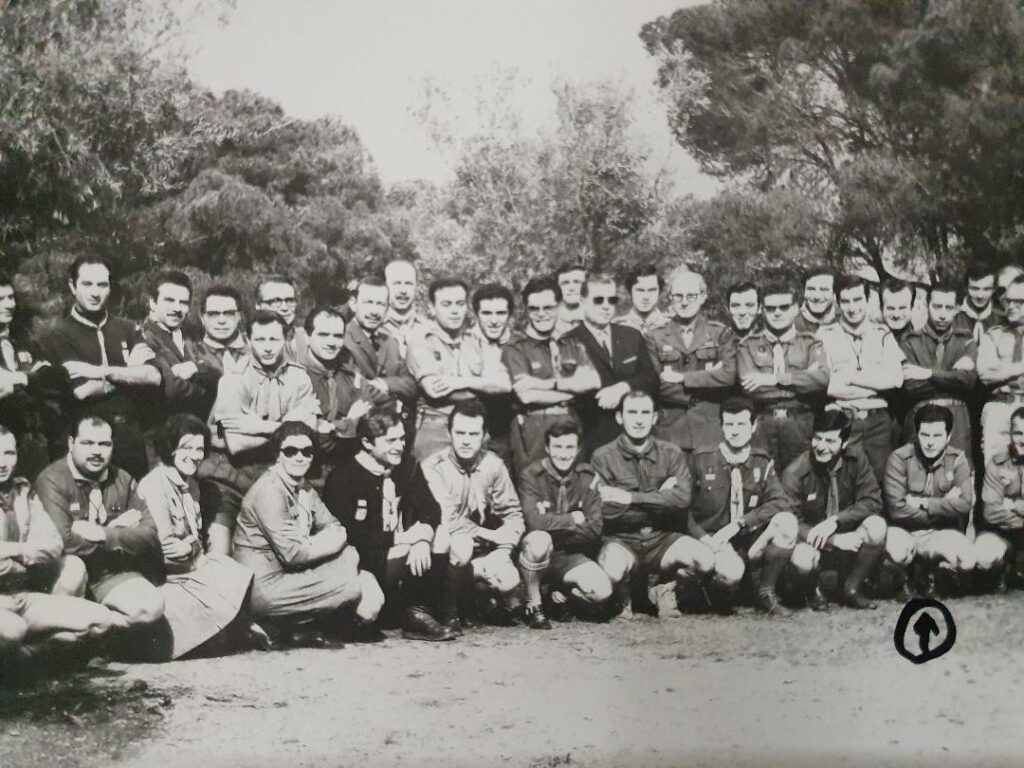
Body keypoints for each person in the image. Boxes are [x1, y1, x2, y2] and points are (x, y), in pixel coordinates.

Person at [233, 422, 383, 647]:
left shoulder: (304, 488)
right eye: (290, 451)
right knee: (354, 583)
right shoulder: (270, 490)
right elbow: (294, 555)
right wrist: (316, 543)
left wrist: (307, 542)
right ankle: (277, 627)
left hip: (291, 574)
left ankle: (289, 631)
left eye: (307, 451)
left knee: (363, 580)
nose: (299, 457)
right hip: (265, 588)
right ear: (277, 454)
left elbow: (337, 527)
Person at [137, 414, 270, 659]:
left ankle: (231, 630)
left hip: (191, 567)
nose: (195, 455)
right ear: (170, 448)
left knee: (233, 570)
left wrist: (190, 547)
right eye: (186, 447)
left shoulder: (192, 486)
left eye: (199, 449)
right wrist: (191, 549)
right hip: (164, 577)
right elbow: (167, 551)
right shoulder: (155, 485)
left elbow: (193, 540)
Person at [323, 408, 455, 641]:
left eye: (402, 439)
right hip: (361, 562)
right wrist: (402, 538)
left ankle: (418, 612)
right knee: (371, 605)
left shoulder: (406, 466)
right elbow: (349, 533)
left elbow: (431, 508)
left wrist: (423, 537)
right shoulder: (343, 476)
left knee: (440, 535)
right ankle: (378, 612)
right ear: (367, 443)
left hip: (394, 556)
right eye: (390, 440)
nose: (400, 446)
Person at [0, 427, 126, 660]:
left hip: (23, 596)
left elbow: (53, 545)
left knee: (101, 620)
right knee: (13, 630)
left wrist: (14, 552)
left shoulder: (23, 491)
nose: (2, 463)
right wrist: (26, 555)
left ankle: (28, 656)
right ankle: (26, 658)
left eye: (8, 453)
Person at [199, 312, 319, 555]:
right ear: (248, 339)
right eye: (260, 339)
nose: (267, 347)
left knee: (290, 551)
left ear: (286, 339)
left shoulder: (299, 377)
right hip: (231, 477)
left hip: (278, 477)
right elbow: (236, 444)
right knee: (219, 554)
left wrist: (255, 425)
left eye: (274, 339)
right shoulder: (234, 379)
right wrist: (286, 425)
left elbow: (307, 436)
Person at [590, 390, 714, 619]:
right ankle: (625, 595)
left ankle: (665, 586)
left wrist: (630, 498)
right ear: (619, 417)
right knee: (612, 569)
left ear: (654, 418)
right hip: (622, 539)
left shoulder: (672, 453)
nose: (639, 420)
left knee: (705, 561)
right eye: (632, 412)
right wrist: (661, 497)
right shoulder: (602, 457)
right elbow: (606, 511)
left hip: (661, 538)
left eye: (645, 413)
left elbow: (682, 500)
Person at [35, 415, 165, 632]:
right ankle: (64, 636)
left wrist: (104, 534)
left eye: (104, 444)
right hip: (64, 574)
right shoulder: (52, 479)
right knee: (73, 570)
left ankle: (96, 625)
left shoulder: (123, 479)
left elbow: (151, 534)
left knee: (152, 606)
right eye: (88, 443)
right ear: (71, 444)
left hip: (106, 573)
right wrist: (121, 532)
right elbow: (64, 541)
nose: (96, 451)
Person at [38, 256, 162, 479]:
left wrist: (103, 372)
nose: (95, 292)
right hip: (86, 447)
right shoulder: (57, 335)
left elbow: (153, 376)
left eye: (102, 285)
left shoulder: (127, 328)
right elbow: (83, 390)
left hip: (129, 443)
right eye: (87, 284)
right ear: (72, 286)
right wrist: (129, 370)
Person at [685, 399, 799, 616]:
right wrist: (704, 538)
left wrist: (741, 523)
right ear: (721, 426)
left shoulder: (761, 461)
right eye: (729, 425)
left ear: (753, 426)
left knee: (787, 522)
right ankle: (708, 592)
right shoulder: (700, 459)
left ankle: (765, 593)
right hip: (713, 539)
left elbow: (781, 502)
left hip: (748, 539)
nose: (735, 431)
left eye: (741, 424)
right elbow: (683, 509)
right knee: (731, 573)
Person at [421, 399, 524, 632]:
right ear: (449, 432)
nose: (466, 440)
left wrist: (505, 549)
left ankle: (476, 600)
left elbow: (513, 513)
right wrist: (491, 535)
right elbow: (448, 519)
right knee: (462, 545)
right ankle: (449, 611)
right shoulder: (434, 467)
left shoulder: (494, 465)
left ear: (484, 435)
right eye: (460, 433)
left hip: (482, 549)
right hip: (444, 549)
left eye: (473, 434)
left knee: (508, 579)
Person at [781, 410, 889, 611]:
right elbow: (790, 524)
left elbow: (873, 500)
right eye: (817, 438)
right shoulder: (795, 473)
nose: (821, 446)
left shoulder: (856, 459)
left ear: (845, 443)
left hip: (845, 535)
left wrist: (836, 520)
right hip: (810, 540)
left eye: (830, 441)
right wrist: (833, 540)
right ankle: (811, 591)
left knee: (877, 526)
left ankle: (851, 589)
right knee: (802, 559)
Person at [502, 276, 599, 479]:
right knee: (533, 487)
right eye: (534, 309)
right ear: (526, 310)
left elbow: (593, 381)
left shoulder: (571, 344)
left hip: (571, 426)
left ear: (559, 306)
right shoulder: (516, 348)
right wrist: (573, 392)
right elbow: (527, 396)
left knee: (574, 487)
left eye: (548, 307)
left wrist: (546, 385)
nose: (541, 314)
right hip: (533, 431)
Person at [517, 421, 611, 627]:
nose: (563, 454)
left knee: (602, 591)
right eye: (557, 447)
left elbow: (594, 528)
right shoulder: (531, 476)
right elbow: (533, 522)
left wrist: (555, 529)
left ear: (577, 450)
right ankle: (534, 604)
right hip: (538, 553)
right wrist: (572, 519)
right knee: (539, 540)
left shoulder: (587, 477)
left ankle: (560, 595)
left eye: (569, 447)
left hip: (569, 554)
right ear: (547, 448)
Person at [405, 278, 510, 461]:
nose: (454, 311)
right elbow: (435, 390)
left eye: (460, 304)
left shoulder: (476, 341)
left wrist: (459, 382)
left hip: (475, 431)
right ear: (432, 308)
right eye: (446, 304)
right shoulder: (421, 342)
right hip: (436, 430)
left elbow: (504, 384)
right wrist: (482, 386)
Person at [817, 273, 904, 483]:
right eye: (845, 301)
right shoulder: (825, 335)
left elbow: (895, 379)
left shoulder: (882, 333)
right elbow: (829, 386)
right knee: (845, 482)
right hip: (844, 421)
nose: (852, 307)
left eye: (857, 299)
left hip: (878, 423)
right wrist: (876, 384)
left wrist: (850, 378)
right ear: (837, 303)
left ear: (867, 300)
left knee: (881, 482)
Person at [884, 404, 977, 596]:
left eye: (937, 436)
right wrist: (945, 504)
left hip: (938, 533)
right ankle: (906, 576)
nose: (930, 443)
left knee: (967, 560)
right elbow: (897, 510)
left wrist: (924, 503)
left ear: (948, 437)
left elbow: (965, 504)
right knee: (897, 551)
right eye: (925, 435)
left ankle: (932, 573)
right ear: (917, 434)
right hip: (905, 531)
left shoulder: (957, 459)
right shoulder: (899, 458)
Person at [737, 281, 829, 471]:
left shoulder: (810, 343)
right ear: (762, 310)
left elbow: (821, 379)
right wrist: (802, 382)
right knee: (761, 478)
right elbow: (749, 388)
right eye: (771, 308)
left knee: (800, 477)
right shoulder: (748, 345)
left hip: (801, 424)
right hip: (762, 424)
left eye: (784, 307)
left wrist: (774, 379)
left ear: (796, 309)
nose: (777, 313)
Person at [563, 273, 658, 457]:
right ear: (582, 302)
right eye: (598, 300)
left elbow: (651, 379)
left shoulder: (631, 336)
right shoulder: (568, 342)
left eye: (612, 300)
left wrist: (624, 387)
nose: (606, 306)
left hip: (637, 440)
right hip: (593, 439)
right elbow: (572, 395)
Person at [647, 269, 734, 455]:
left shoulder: (720, 333)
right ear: (670, 298)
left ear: (702, 297)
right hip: (669, 432)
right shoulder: (655, 336)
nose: (684, 302)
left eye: (691, 296)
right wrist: (709, 380)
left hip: (710, 431)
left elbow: (728, 376)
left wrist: (682, 378)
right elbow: (654, 384)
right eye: (678, 296)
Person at [0, 272, 72, 480]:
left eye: (11, 297)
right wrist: (35, 377)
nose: (9, 304)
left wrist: (22, 379)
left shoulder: (24, 342)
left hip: (35, 447)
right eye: (1, 299)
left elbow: (60, 379)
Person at [899, 281, 977, 454]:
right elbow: (910, 386)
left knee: (957, 467)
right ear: (927, 306)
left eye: (949, 308)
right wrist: (952, 377)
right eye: (937, 307)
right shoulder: (910, 342)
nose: (942, 314)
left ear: (957, 309)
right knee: (916, 467)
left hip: (957, 418)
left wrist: (927, 373)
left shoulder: (966, 341)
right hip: (920, 415)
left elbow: (967, 382)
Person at [296, 307, 374, 469]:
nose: (331, 343)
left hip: (347, 468)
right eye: (323, 335)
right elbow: (314, 439)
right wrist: (348, 422)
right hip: (307, 470)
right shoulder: (296, 378)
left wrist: (331, 427)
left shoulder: (352, 377)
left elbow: (368, 429)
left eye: (338, 336)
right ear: (307, 337)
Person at [343, 276, 418, 430]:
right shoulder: (344, 340)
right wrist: (394, 402)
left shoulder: (390, 341)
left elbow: (411, 386)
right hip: (358, 427)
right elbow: (357, 390)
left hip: (391, 431)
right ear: (353, 304)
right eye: (368, 302)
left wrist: (385, 384)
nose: (374, 311)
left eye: (380, 304)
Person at [142, 270, 216, 421]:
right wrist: (208, 391)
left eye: (183, 303)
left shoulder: (190, 336)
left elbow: (218, 372)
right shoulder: (143, 338)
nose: (177, 308)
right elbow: (171, 389)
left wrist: (195, 368)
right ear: (152, 303)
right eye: (169, 300)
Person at [977, 275, 1024, 465]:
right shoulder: (993, 335)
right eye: (1008, 300)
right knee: (995, 467)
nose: (1011, 306)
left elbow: (996, 373)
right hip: (1000, 407)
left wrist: (1003, 371)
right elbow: (985, 374)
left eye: (1018, 301)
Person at [976, 406, 1024, 589]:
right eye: (1018, 433)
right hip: (1003, 533)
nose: (1023, 440)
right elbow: (991, 512)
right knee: (984, 554)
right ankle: (1004, 567)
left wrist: (1012, 505)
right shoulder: (997, 463)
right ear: (1010, 433)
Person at [469, 284, 517, 464]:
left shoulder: (520, 343)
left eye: (501, 313)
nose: (494, 320)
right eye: (487, 313)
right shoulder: (464, 341)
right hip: (473, 435)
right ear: (476, 314)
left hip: (513, 436)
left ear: (510, 315)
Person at [194, 284, 249, 377]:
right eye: (213, 314)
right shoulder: (192, 354)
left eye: (229, 313)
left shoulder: (255, 347)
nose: (221, 321)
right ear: (202, 318)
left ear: (239, 316)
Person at [382, 259, 428, 353]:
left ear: (416, 286)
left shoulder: (428, 330)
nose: (403, 290)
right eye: (397, 283)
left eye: (408, 284)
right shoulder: (374, 326)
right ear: (384, 286)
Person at [255, 275, 304, 361]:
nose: (284, 308)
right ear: (258, 306)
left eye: (290, 300)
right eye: (275, 301)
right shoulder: (245, 345)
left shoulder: (309, 339)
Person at [616, 264, 668, 337]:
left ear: (659, 292)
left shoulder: (671, 325)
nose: (645, 297)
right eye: (640, 290)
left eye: (652, 290)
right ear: (630, 293)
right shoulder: (617, 327)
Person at [954, 264, 997, 343]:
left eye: (986, 289)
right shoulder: (953, 317)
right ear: (965, 288)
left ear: (994, 289)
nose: (980, 296)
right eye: (975, 289)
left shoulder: (1001, 320)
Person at [793, 266, 837, 334]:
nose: (816, 296)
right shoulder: (791, 325)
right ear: (804, 292)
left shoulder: (846, 321)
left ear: (834, 294)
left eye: (824, 290)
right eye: (811, 289)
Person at [553, 263, 587, 338]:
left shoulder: (597, 317)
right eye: (565, 283)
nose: (571, 288)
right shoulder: (550, 320)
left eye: (577, 282)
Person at [881, 279, 916, 343]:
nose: (896, 315)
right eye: (891, 308)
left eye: (902, 308)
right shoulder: (871, 341)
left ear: (912, 308)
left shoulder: (924, 344)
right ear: (881, 308)